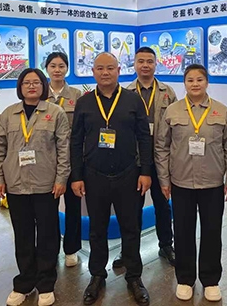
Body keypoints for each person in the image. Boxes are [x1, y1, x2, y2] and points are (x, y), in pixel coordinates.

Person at [70, 52, 153, 306]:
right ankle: (97, 275)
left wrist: (146, 171)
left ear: (118, 70)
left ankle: (134, 276)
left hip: (128, 174)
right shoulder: (84, 102)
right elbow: (75, 141)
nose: (105, 73)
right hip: (94, 176)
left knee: (131, 227)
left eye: (110, 68)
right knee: (97, 229)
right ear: (93, 72)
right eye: (100, 68)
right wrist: (77, 176)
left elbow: (144, 137)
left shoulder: (133, 100)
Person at [156, 64, 227, 302]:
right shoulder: (172, 111)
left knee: (212, 232)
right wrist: (164, 179)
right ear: (184, 83)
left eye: (199, 79)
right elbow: (161, 147)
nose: (195, 84)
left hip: (212, 183)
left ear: (206, 82)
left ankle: (211, 280)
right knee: (183, 232)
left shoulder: (221, 111)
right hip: (181, 183)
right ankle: (185, 279)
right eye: (190, 80)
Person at [0, 68, 70, 306]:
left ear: (43, 86)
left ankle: (46, 283)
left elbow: (64, 149)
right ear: (20, 87)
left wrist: (61, 178)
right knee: (23, 234)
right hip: (16, 184)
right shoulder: (8, 114)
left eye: (36, 82)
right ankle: (25, 282)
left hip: (46, 184)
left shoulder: (55, 113)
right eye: (26, 82)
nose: (31, 86)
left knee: (47, 234)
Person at [113, 46, 177, 268]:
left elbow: (175, 127)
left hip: (160, 159)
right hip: (134, 159)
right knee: (130, 209)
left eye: (149, 61)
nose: (145, 65)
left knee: (163, 205)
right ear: (134, 64)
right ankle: (128, 250)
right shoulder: (125, 93)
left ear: (155, 64)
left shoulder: (168, 92)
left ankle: (166, 245)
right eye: (141, 61)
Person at [44, 52, 83, 268]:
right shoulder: (40, 94)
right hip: (47, 160)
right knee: (48, 209)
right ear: (47, 68)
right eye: (53, 66)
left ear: (67, 68)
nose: (57, 70)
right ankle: (50, 250)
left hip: (72, 158)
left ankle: (71, 249)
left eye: (61, 66)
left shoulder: (76, 95)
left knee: (73, 206)